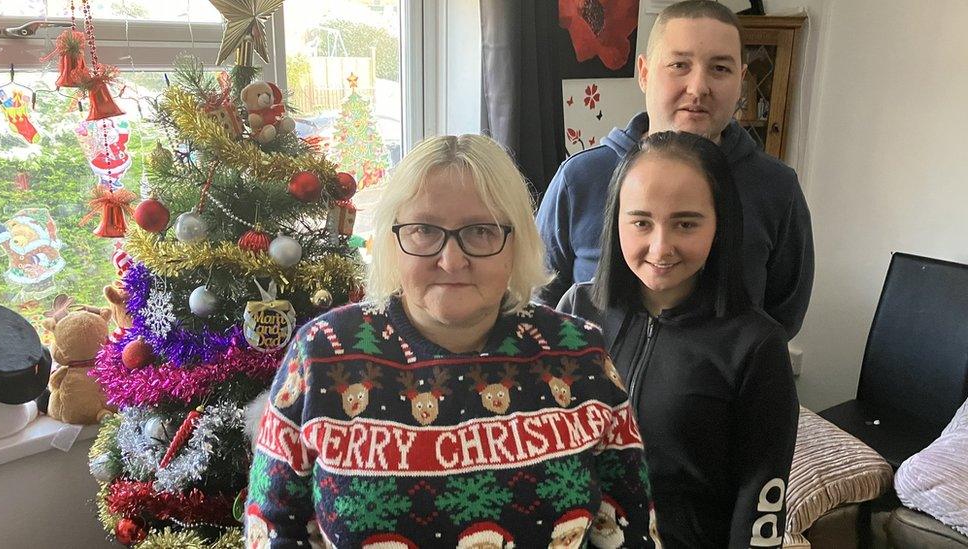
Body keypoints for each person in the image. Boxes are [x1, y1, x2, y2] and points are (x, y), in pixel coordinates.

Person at [245, 134, 661, 548]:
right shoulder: (322, 353)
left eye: (481, 231)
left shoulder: (580, 353)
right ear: (393, 240)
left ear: (515, 243)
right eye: (425, 230)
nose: (451, 260)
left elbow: (629, 531)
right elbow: (274, 532)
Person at [559, 131, 798, 549]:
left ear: (720, 224)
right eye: (641, 222)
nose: (660, 246)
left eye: (685, 223)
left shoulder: (757, 346)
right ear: (616, 221)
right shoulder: (577, 311)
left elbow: (760, 503)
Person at [538, 0, 814, 338]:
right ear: (644, 72)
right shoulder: (579, 180)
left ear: (741, 80)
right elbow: (539, 299)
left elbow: (782, 316)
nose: (698, 88)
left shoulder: (777, 189)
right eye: (680, 64)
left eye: (720, 69)